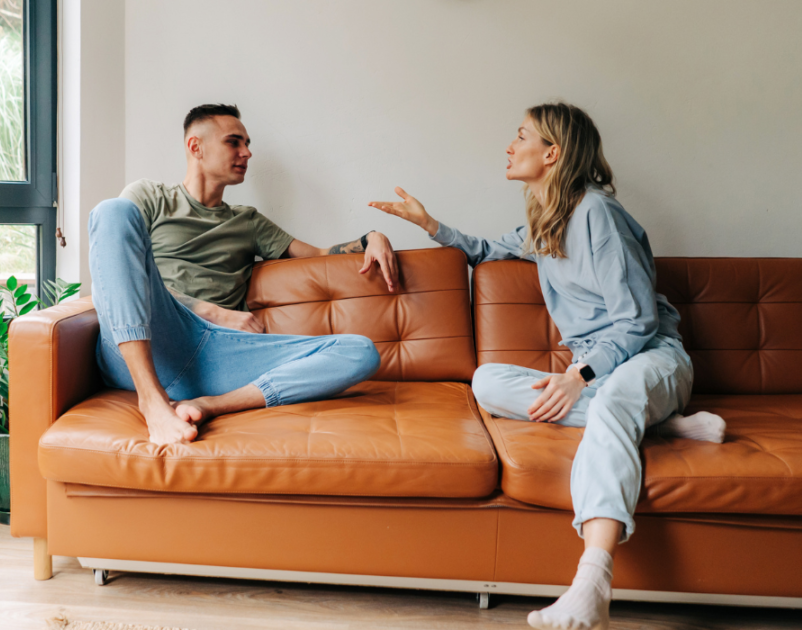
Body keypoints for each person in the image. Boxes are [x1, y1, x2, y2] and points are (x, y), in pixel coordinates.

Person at [369, 102, 725, 630]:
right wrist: (429, 225)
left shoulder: (596, 213)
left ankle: (591, 584)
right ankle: (662, 424)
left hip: (653, 359)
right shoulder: (546, 221)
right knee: (488, 381)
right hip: (602, 376)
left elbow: (637, 321)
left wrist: (577, 376)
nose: (510, 147)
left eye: (520, 137)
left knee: (614, 402)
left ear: (552, 153)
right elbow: (487, 249)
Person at [89, 103, 395, 447]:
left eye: (247, 144)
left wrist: (372, 237)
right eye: (234, 142)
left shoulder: (247, 221)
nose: (246, 153)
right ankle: (151, 399)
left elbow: (322, 256)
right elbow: (115, 270)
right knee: (112, 211)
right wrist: (211, 310)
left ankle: (209, 406)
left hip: (216, 356)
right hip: (152, 336)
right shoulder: (151, 197)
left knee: (359, 351)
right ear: (195, 146)